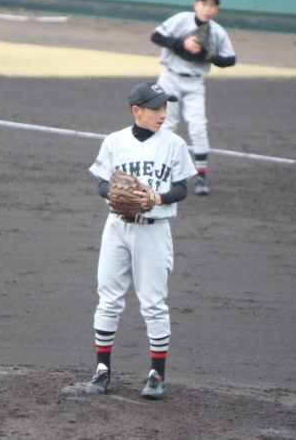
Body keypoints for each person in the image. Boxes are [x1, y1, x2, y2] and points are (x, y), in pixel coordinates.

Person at [86, 81, 198, 400]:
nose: (163, 113)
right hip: (117, 226)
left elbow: (182, 189)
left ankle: (156, 375)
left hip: (154, 230)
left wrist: (157, 198)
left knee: (153, 303)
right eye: (156, 108)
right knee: (108, 299)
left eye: (165, 107)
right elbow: (101, 184)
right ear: (137, 110)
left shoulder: (174, 144)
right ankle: (102, 370)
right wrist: (116, 192)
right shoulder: (114, 141)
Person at [150, 0, 236, 195]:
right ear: (196, 5)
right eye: (204, 4)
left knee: (198, 127)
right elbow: (156, 36)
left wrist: (208, 55)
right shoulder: (181, 19)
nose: (207, 9)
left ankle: (201, 178)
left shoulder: (217, 32)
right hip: (170, 78)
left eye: (212, 5)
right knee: (167, 124)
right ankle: (162, 174)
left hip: (195, 83)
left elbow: (230, 59)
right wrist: (182, 43)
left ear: (217, 10)